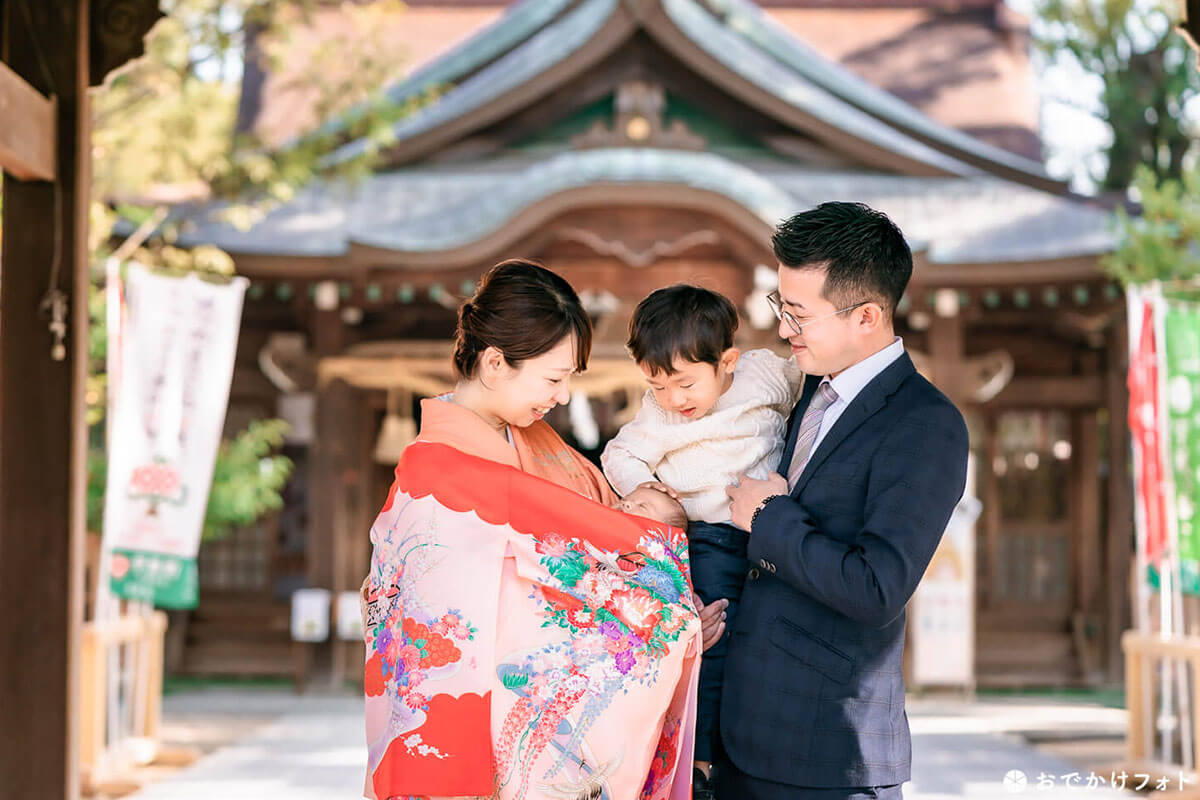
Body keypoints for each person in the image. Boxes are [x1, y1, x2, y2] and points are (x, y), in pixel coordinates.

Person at [361, 259, 721, 800]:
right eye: (554, 378)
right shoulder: (428, 480)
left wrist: (671, 611)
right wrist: (662, 619)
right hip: (469, 729)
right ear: (494, 362)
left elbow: (618, 542)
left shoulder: (546, 448)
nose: (562, 397)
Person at [722, 202, 970, 799]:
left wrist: (767, 517)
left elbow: (876, 587)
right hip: (741, 730)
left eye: (799, 314)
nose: (783, 329)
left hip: (829, 751)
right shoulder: (802, 389)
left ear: (867, 316)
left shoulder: (927, 424)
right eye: (782, 307)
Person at [600, 285, 801, 799]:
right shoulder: (657, 413)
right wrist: (646, 489)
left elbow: (810, 388)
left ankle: (762, 754)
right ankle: (702, 762)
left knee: (768, 642)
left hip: (769, 530)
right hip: (708, 540)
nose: (674, 400)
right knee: (711, 645)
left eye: (685, 384)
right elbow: (618, 455)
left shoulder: (763, 373)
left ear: (727, 361)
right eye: (658, 385)